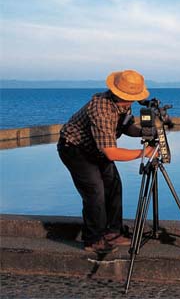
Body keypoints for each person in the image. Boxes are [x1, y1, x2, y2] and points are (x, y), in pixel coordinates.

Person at [57, 69, 156, 253]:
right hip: (74, 148)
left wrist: (143, 132)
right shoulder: (101, 109)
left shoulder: (124, 104)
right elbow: (111, 153)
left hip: (97, 148)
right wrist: (144, 152)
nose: (133, 99)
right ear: (120, 93)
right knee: (95, 190)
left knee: (114, 186)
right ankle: (93, 239)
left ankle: (112, 233)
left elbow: (126, 127)